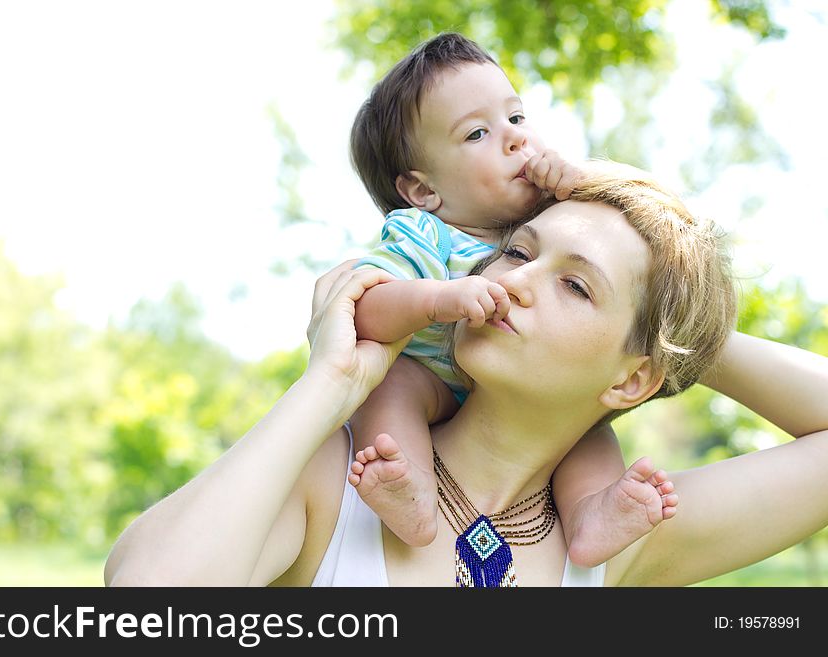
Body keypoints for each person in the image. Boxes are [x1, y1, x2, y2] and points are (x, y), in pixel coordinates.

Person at [104, 169, 828, 587]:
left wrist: (686, 325)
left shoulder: (619, 539)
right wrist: (329, 381)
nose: (514, 282)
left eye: (576, 287)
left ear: (632, 381)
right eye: (517, 252)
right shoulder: (339, 480)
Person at [346, 32, 667, 567]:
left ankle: (591, 514)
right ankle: (413, 490)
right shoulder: (424, 234)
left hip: (522, 404)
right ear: (424, 191)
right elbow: (365, 310)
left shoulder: (542, 218)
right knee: (392, 385)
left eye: (516, 119)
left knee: (589, 429)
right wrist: (439, 300)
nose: (515, 140)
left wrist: (573, 183)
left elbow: (612, 245)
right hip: (435, 382)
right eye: (477, 133)